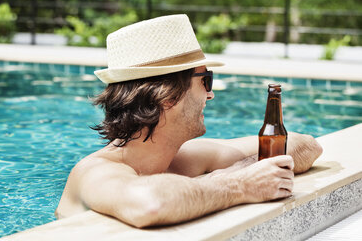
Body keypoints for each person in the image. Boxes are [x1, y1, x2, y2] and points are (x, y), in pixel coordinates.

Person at [55, 15, 323, 228]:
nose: (211, 94)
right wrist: (240, 184)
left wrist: (243, 169)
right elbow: (151, 204)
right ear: (167, 97)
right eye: (205, 80)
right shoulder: (94, 173)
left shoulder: (185, 158)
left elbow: (305, 145)